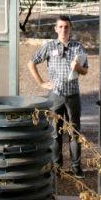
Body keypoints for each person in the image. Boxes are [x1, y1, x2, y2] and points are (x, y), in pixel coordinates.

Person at [27, 15, 88, 179]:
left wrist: (78, 67)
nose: (63, 30)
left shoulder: (78, 47)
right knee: (55, 133)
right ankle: (57, 168)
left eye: (66, 27)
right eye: (60, 27)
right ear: (55, 29)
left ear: (70, 29)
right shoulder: (49, 46)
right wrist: (40, 83)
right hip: (56, 96)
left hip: (73, 96)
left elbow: (85, 71)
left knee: (74, 133)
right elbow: (31, 62)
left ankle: (76, 167)